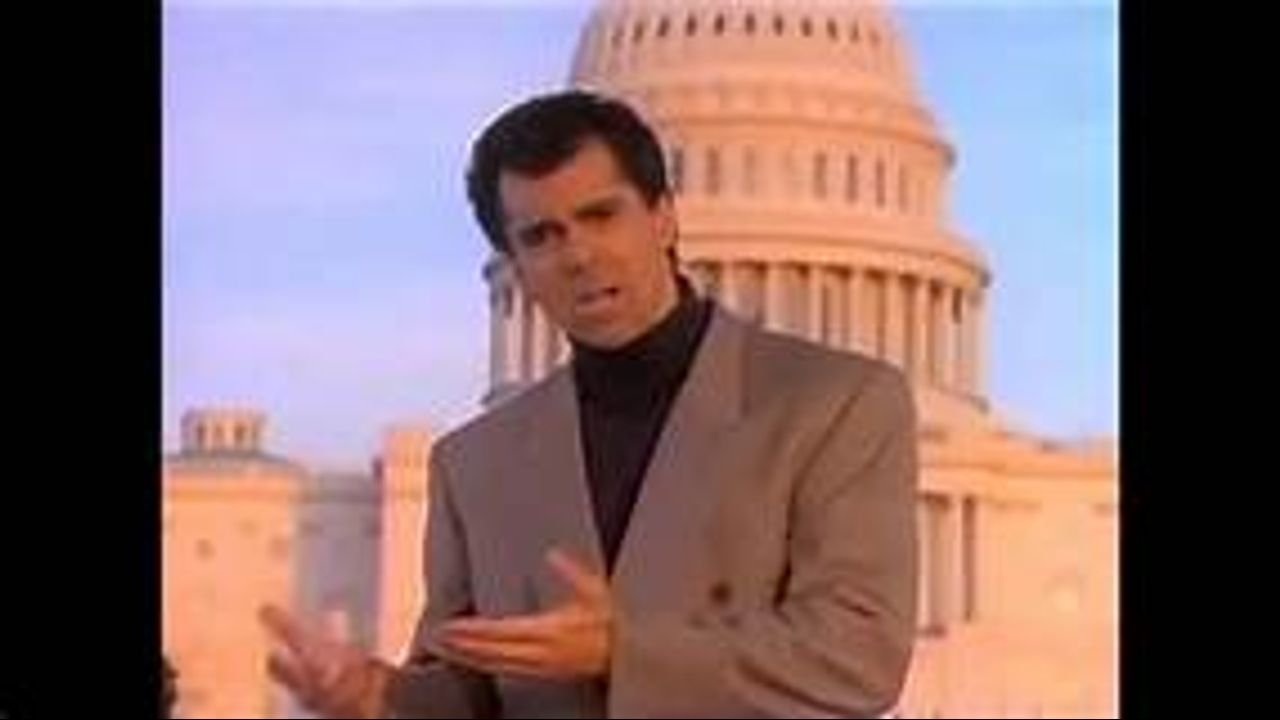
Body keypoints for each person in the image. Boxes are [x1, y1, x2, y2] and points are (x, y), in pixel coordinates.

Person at [261, 89, 918, 718]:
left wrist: (623, 654)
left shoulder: (835, 405)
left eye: (601, 216)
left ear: (664, 217)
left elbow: (860, 656)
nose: (577, 255)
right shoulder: (473, 464)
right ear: (515, 267)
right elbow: (470, 692)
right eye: (540, 236)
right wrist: (375, 697)